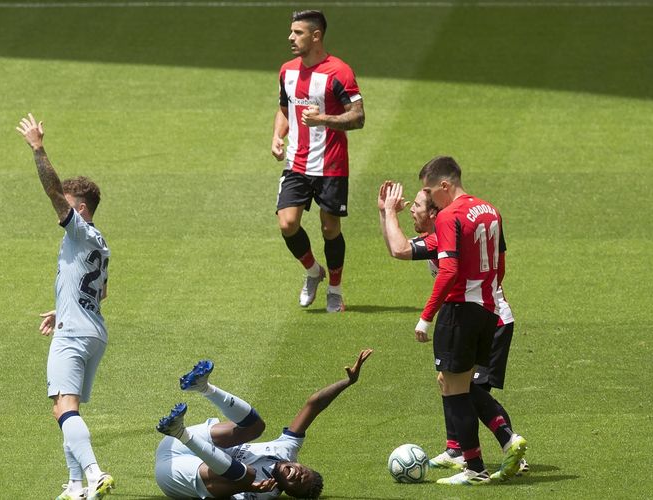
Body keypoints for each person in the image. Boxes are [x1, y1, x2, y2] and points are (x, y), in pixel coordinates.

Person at [378, 181, 528, 476]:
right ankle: (456, 450)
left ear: (435, 212)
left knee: (468, 387)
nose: (411, 209)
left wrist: (427, 316)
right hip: (485, 313)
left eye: (418, 205)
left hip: (488, 319)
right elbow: (398, 248)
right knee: (448, 380)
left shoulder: (444, 237)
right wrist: (385, 213)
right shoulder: (441, 234)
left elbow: (401, 249)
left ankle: (509, 446)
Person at [17, 113, 115, 500]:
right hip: (92, 328)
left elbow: (53, 193)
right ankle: (75, 486)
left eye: (70, 206)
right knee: (64, 408)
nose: (63, 211)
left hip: (74, 333)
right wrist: (62, 307)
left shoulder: (77, 228)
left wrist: (38, 149)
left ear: (81, 208)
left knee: (65, 405)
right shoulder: (100, 242)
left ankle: (93, 473)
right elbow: (100, 292)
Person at [154, 349, 373, 498]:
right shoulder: (286, 450)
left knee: (246, 475)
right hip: (175, 444)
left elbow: (216, 491)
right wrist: (348, 382)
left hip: (175, 474)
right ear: (300, 464)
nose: (296, 474)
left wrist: (248, 486)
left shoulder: (265, 492)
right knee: (256, 428)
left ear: (285, 490)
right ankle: (204, 387)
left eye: (296, 483)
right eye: (302, 472)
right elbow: (314, 405)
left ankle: (180, 431)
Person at [271, 10, 365, 312]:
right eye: (291, 32)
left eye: (297, 33)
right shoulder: (287, 71)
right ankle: (313, 272)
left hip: (332, 164)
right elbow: (285, 109)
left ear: (316, 36)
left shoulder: (339, 72)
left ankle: (335, 289)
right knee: (287, 223)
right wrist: (277, 136)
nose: (290, 38)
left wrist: (322, 119)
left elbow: (358, 117)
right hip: (296, 162)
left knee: (329, 229)